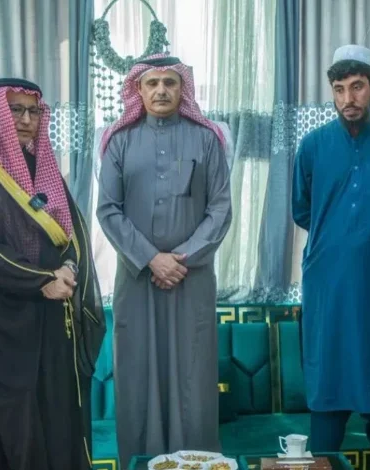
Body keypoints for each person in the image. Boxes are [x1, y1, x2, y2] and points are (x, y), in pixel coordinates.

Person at [0, 78, 106, 470]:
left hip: (52, 321)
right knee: (9, 430)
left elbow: (70, 233)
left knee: (55, 418)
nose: (26, 120)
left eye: (34, 111)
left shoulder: (44, 168)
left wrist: (68, 269)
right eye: (15, 109)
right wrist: (40, 280)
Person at [96, 54, 232, 465]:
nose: (161, 91)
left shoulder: (207, 140)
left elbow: (220, 209)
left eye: (170, 83)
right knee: (138, 374)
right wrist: (152, 259)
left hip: (192, 280)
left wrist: (181, 258)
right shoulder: (119, 141)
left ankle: (197, 463)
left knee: (193, 374)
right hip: (137, 279)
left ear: (182, 88)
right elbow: (108, 210)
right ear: (138, 90)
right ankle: (141, 461)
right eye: (152, 83)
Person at [291, 44, 370, 470]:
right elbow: (302, 210)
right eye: (340, 88)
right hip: (327, 282)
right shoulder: (312, 145)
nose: (349, 98)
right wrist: (340, 241)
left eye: (358, 87)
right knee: (328, 376)